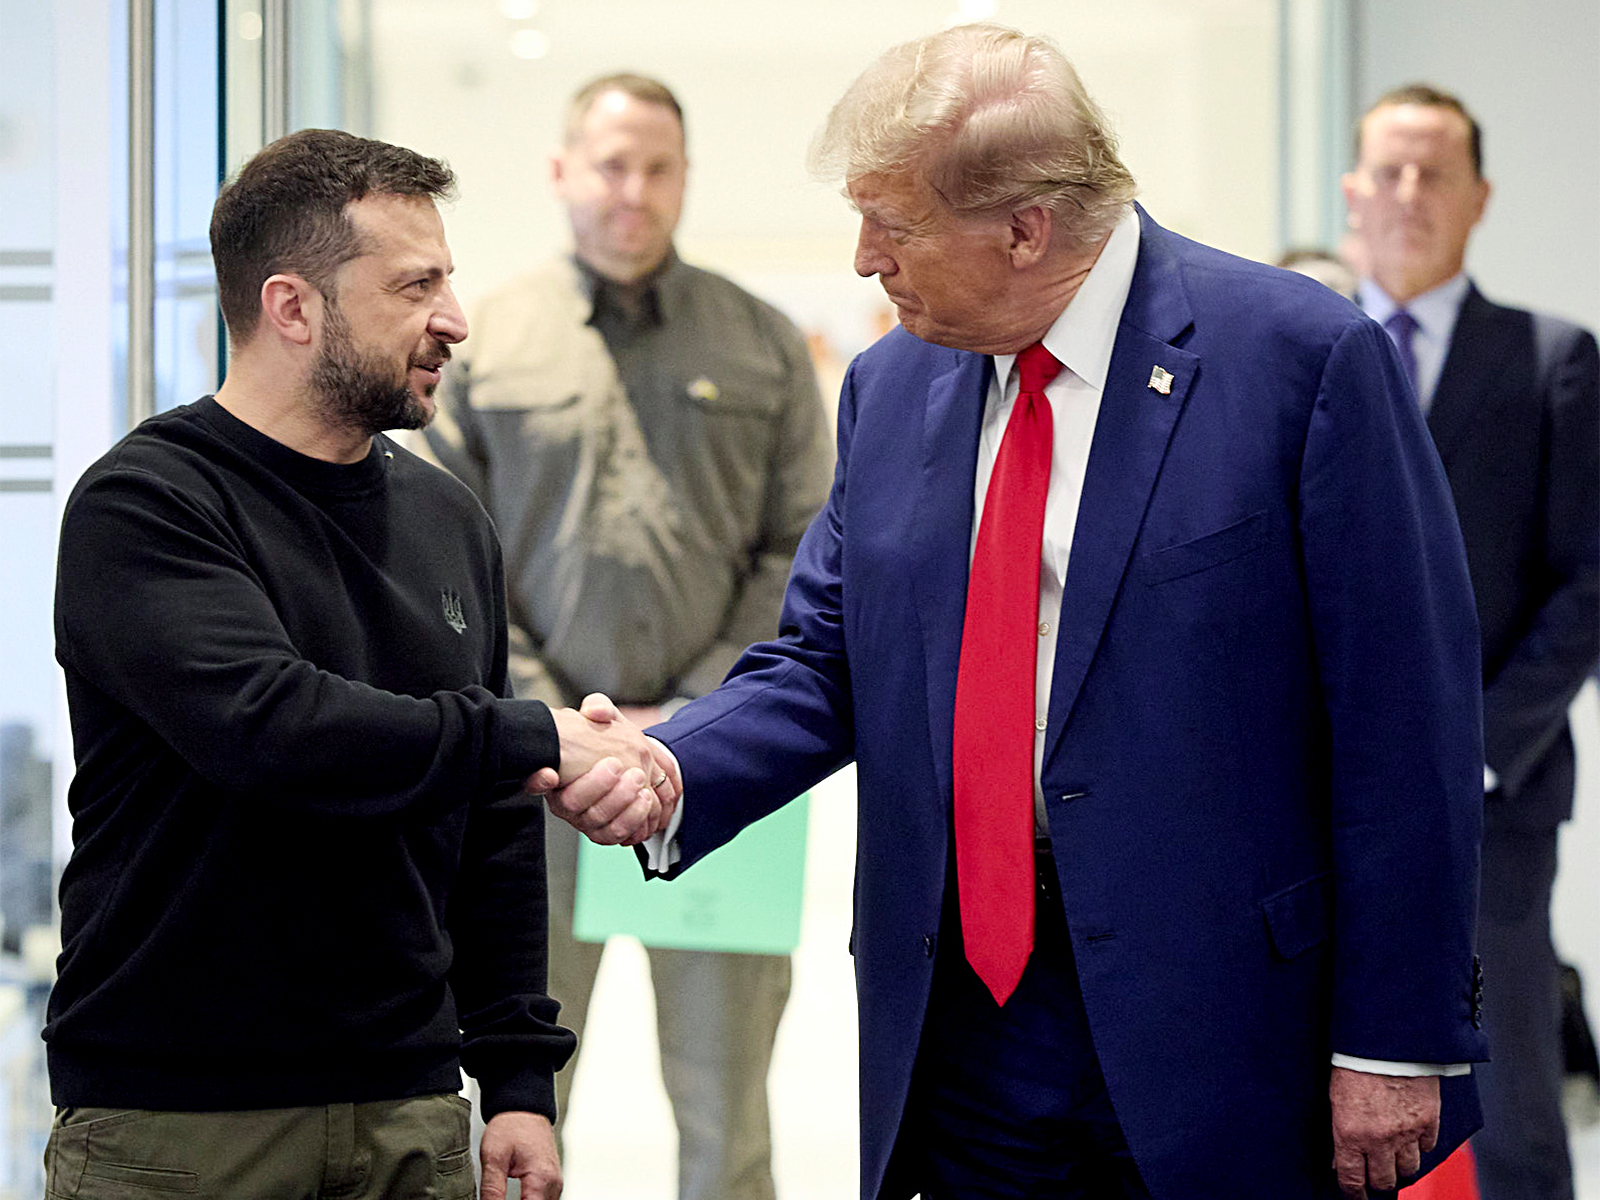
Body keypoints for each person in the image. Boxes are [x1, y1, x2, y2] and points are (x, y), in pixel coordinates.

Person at [551, 24, 1490, 1200]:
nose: (862, 260)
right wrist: (669, 766)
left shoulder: (1298, 361)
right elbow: (828, 658)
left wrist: (1394, 1041)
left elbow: (1406, 720)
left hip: (1222, 1022)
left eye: (891, 225)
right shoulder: (892, 385)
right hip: (963, 1020)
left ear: (1024, 229)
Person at [44, 128, 671, 1200]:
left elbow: (493, 826)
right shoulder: (147, 503)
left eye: (448, 281)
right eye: (416, 286)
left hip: (409, 1108)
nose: (455, 319)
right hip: (179, 1124)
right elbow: (273, 728)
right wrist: (537, 732)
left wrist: (519, 1081)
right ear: (292, 307)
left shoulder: (447, 518)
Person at [422, 74, 832, 1200]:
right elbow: (442, 560)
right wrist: (558, 722)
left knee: (725, 1111)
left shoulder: (760, 342)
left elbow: (802, 548)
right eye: (611, 165)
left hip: (722, 780)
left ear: (685, 179)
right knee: (513, 1109)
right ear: (562, 172)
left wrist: (692, 720)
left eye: (658, 168)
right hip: (528, 786)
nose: (633, 191)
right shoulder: (485, 342)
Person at [1343, 83, 1600, 1200]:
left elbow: (1588, 582)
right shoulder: (1301, 353)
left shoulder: (1551, 359)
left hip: (1496, 801)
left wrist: (1480, 747)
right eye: (1388, 171)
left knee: (1506, 1102)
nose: (1409, 193)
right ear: (1352, 191)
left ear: (1480, 196)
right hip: (1318, 794)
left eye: (1434, 172)